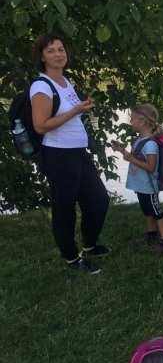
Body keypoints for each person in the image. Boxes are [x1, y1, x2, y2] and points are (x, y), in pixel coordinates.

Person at [30, 33, 110, 274]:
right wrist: (75, 109)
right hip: (58, 155)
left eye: (61, 49)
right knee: (64, 209)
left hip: (77, 153)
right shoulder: (41, 86)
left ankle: (89, 246)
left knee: (98, 200)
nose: (58, 54)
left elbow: (68, 116)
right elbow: (41, 125)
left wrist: (79, 110)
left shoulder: (66, 82)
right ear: (42, 57)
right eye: (51, 51)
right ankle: (71, 259)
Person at [112, 104, 163, 254]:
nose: (130, 121)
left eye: (131, 119)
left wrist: (130, 158)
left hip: (149, 186)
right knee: (147, 210)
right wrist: (122, 151)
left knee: (157, 211)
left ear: (142, 122)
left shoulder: (151, 144)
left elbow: (151, 167)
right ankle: (151, 234)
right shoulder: (138, 140)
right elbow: (136, 158)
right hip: (140, 185)